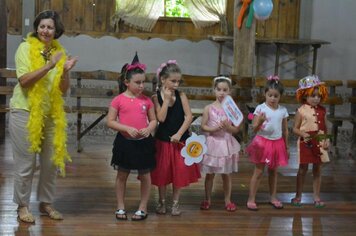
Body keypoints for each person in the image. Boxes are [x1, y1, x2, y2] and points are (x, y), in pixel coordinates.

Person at [9, 10, 77, 223]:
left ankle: (46, 203)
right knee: (26, 163)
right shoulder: (25, 48)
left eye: (50, 27)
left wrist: (65, 71)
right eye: (42, 26)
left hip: (50, 114)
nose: (45, 31)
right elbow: (24, 81)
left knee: (50, 163)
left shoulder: (60, 52)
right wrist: (50, 65)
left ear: (56, 31)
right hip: (24, 112)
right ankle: (22, 206)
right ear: (36, 28)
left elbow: (63, 90)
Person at [107, 54, 157, 221]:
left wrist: (149, 128)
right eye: (138, 82)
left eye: (143, 82)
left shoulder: (147, 101)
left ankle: (143, 207)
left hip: (143, 143)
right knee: (122, 175)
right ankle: (120, 206)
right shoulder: (118, 100)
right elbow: (111, 121)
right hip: (125, 143)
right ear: (126, 82)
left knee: (145, 175)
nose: (141, 86)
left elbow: (154, 120)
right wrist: (126, 127)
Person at [150, 60, 200, 216]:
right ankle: (162, 201)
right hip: (163, 141)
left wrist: (179, 133)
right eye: (173, 81)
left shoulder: (182, 95)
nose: (176, 84)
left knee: (179, 172)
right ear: (163, 80)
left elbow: (189, 116)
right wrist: (165, 99)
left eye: (178, 81)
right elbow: (161, 118)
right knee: (162, 173)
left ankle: (176, 203)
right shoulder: (155, 97)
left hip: (180, 141)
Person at [246, 75, 289, 211]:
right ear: (265, 94)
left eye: (275, 96)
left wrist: (286, 147)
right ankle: (251, 199)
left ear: (280, 97)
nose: (272, 98)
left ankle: (273, 197)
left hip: (277, 143)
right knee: (258, 171)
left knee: (273, 172)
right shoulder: (260, 108)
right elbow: (254, 128)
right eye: (270, 95)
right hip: (262, 143)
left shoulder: (283, 110)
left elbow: (285, 130)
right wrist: (260, 121)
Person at [199, 76, 241, 212]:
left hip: (226, 143)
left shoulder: (232, 109)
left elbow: (236, 129)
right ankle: (207, 199)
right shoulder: (208, 108)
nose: (222, 92)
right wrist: (213, 129)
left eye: (225, 90)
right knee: (210, 174)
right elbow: (203, 126)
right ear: (214, 90)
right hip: (213, 143)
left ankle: (228, 200)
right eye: (219, 89)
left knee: (226, 174)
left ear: (229, 91)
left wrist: (228, 127)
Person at [291, 75, 330, 208]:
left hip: (319, 140)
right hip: (306, 143)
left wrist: (326, 140)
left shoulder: (323, 110)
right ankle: (298, 195)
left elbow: (325, 127)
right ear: (304, 95)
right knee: (302, 169)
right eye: (313, 95)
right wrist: (303, 133)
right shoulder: (301, 111)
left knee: (318, 169)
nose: (316, 98)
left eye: (318, 96)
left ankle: (316, 196)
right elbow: (295, 129)